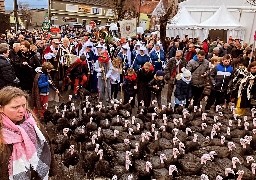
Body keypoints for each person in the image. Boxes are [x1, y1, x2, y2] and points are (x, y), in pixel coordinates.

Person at [0, 86, 56, 180]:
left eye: (23, 105)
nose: (22, 110)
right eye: (15, 107)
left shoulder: (32, 124)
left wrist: (51, 170)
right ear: (1, 108)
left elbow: (47, 146)